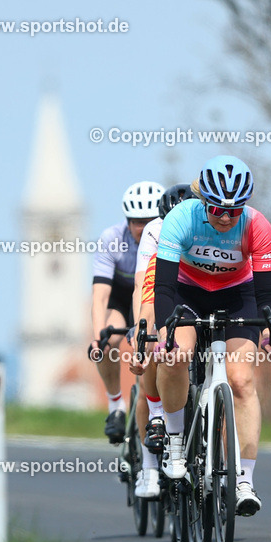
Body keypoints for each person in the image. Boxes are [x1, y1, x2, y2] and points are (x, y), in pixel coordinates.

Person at [153, 156, 271, 516]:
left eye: (234, 211)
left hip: (237, 295)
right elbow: (163, 288)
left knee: (241, 379)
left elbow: (268, 294)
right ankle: (176, 441)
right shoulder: (181, 219)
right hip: (186, 293)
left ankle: (243, 480)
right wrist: (167, 334)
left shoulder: (258, 226)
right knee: (177, 355)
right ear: (203, 202)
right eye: (217, 210)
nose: (225, 218)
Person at [129, 183, 193, 498]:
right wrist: (142, 334)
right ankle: (150, 469)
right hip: (161, 293)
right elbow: (145, 287)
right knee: (156, 343)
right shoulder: (155, 232)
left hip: (197, 294)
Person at [90, 181, 164, 442]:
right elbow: (100, 295)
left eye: (149, 220)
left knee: (158, 350)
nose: (142, 228)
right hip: (122, 299)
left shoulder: (167, 237)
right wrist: (98, 336)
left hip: (153, 298)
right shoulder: (112, 239)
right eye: (136, 222)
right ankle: (116, 406)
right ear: (127, 220)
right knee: (108, 340)